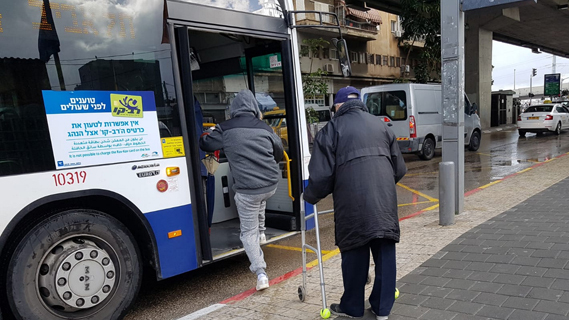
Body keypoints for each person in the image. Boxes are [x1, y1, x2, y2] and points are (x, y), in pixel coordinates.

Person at [304, 86, 407, 320]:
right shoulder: (381, 125)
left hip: (352, 206)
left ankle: (352, 307)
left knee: (354, 255)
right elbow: (399, 168)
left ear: (338, 106)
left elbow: (321, 177)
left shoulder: (330, 130)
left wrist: (309, 196)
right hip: (384, 204)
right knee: (385, 253)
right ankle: (383, 309)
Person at [199, 89, 283, 291]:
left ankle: (261, 272)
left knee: (247, 233)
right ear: (254, 108)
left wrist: (209, 132)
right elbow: (278, 151)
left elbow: (206, 144)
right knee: (261, 199)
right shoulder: (265, 128)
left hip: (247, 189)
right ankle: (262, 233)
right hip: (271, 183)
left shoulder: (225, 128)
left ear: (234, 109)